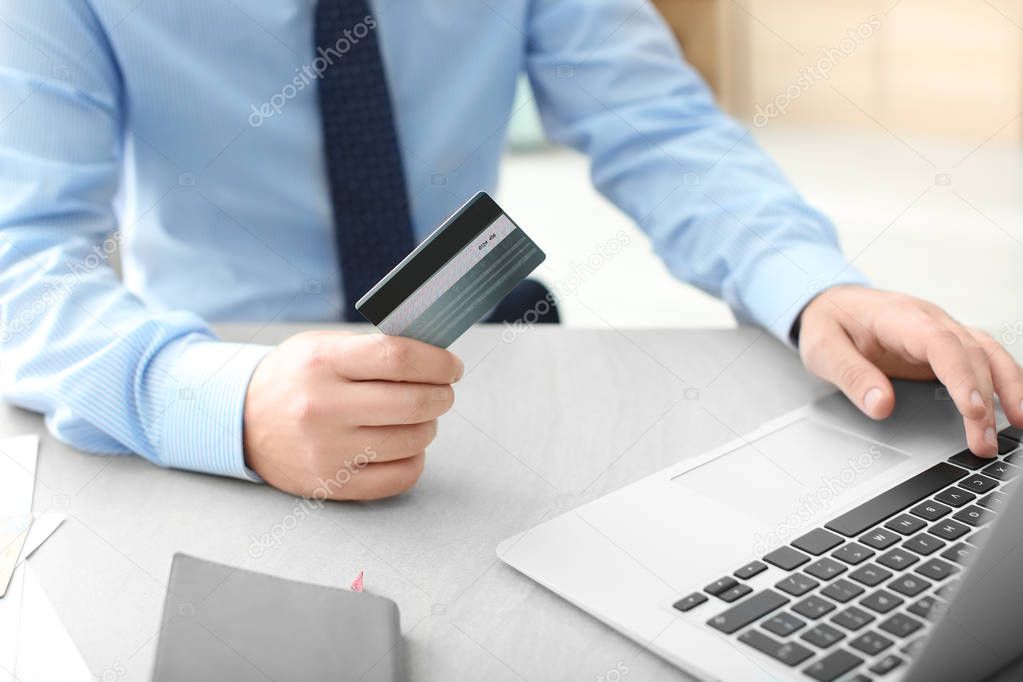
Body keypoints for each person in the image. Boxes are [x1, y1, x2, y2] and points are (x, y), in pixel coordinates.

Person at [0, 1, 1019, 501]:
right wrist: (219, 402)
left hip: (478, 362)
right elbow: (26, 261)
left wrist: (815, 284)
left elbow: (657, 125)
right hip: (219, 382)